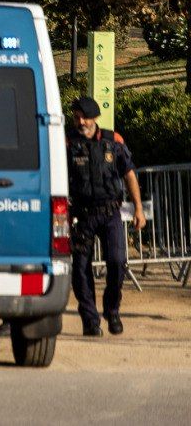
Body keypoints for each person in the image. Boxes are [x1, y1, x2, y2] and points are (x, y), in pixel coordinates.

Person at [67, 95, 146, 337]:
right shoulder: (67, 143)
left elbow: (129, 174)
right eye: (77, 117)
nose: (80, 121)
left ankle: (112, 310)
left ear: (95, 118)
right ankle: (90, 320)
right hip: (81, 214)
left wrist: (138, 209)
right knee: (80, 269)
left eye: (84, 117)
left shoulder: (114, 141)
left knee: (116, 262)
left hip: (110, 212)